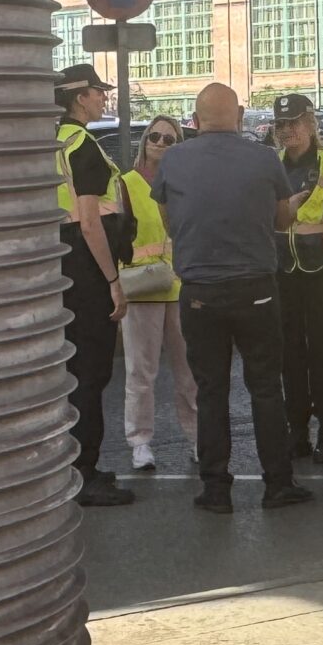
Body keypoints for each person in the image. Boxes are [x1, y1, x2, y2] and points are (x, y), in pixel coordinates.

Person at [151, 82, 312, 514]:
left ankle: (216, 488)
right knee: (264, 387)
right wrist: (292, 207)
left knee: (211, 391)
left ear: (195, 119)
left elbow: (168, 220)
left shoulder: (175, 159)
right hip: (257, 288)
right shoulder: (262, 158)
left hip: (200, 293)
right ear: (239, 115)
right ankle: (277, 484)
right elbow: (280, 219)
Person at [53, 63, 132, 506]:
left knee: (69, 369)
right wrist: (113, 281)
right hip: (85, 267)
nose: (103, 98)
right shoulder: (83, 145)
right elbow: (89, 222)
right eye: (98, 92)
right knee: (91, 372)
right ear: (79, 97)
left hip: (57, 263)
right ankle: (86, 471)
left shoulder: (53, 141)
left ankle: (68, 464)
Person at [120, 113, 197, 471]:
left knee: (190, 372)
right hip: (143, 285)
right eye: (155, 137)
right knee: (141, 372)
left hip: (181, 285)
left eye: (169, 139)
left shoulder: (185, 183)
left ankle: (198, 439)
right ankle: (140, 443)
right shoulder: (126, 183)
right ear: (144, 141)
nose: (160, 143)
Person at [271, 91, 323, 463]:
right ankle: (297, 429)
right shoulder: (271, 164)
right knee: (289, 356)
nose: (289, 131)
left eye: (296, 122)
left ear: (312, 122)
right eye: (282, 124)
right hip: (283, 272)